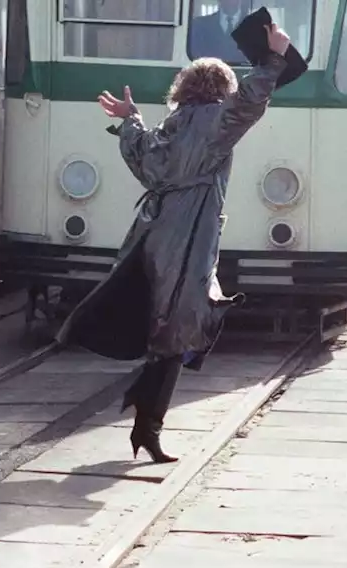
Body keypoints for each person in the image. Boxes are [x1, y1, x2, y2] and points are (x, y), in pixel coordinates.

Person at [55, 25, 292, 465]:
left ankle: (144, 415)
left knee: (170, 327)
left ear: (185, 88)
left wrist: (130, 118)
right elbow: (249, 105)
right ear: (221, 90)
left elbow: (142, 156)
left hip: (154, 234)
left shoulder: (174, 122)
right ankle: (148, 425)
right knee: (182, 328)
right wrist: (274, 59)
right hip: (189, 238)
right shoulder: (215, 122)